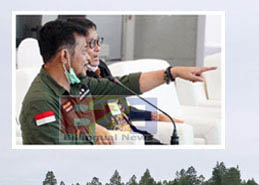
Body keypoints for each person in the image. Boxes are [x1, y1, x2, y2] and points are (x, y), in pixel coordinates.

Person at [19, 19, 215, 145]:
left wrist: (172, 73)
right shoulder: (41, 102)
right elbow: (57, 153)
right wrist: (93, 131)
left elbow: (122, 85)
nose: (88, 58)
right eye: (83, 51)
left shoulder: (77, 84)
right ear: (64, 56)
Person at [66, 17, 182, 144]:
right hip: (117, 140)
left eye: (99, 42)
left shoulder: (101, 68)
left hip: (133, 133)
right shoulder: (72, 82)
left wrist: (156, 116)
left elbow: (119, 106)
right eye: (92, 44)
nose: (98, 48)